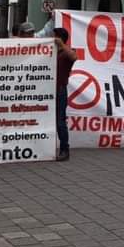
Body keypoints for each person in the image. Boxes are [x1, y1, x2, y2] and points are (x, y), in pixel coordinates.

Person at [52, 27, 77, 162]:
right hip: (47, 91)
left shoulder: (67, 53)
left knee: (60, 121)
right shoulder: (51, 52)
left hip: (60, 90)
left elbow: (74, 57)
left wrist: (62, 45)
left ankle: (64, 149)